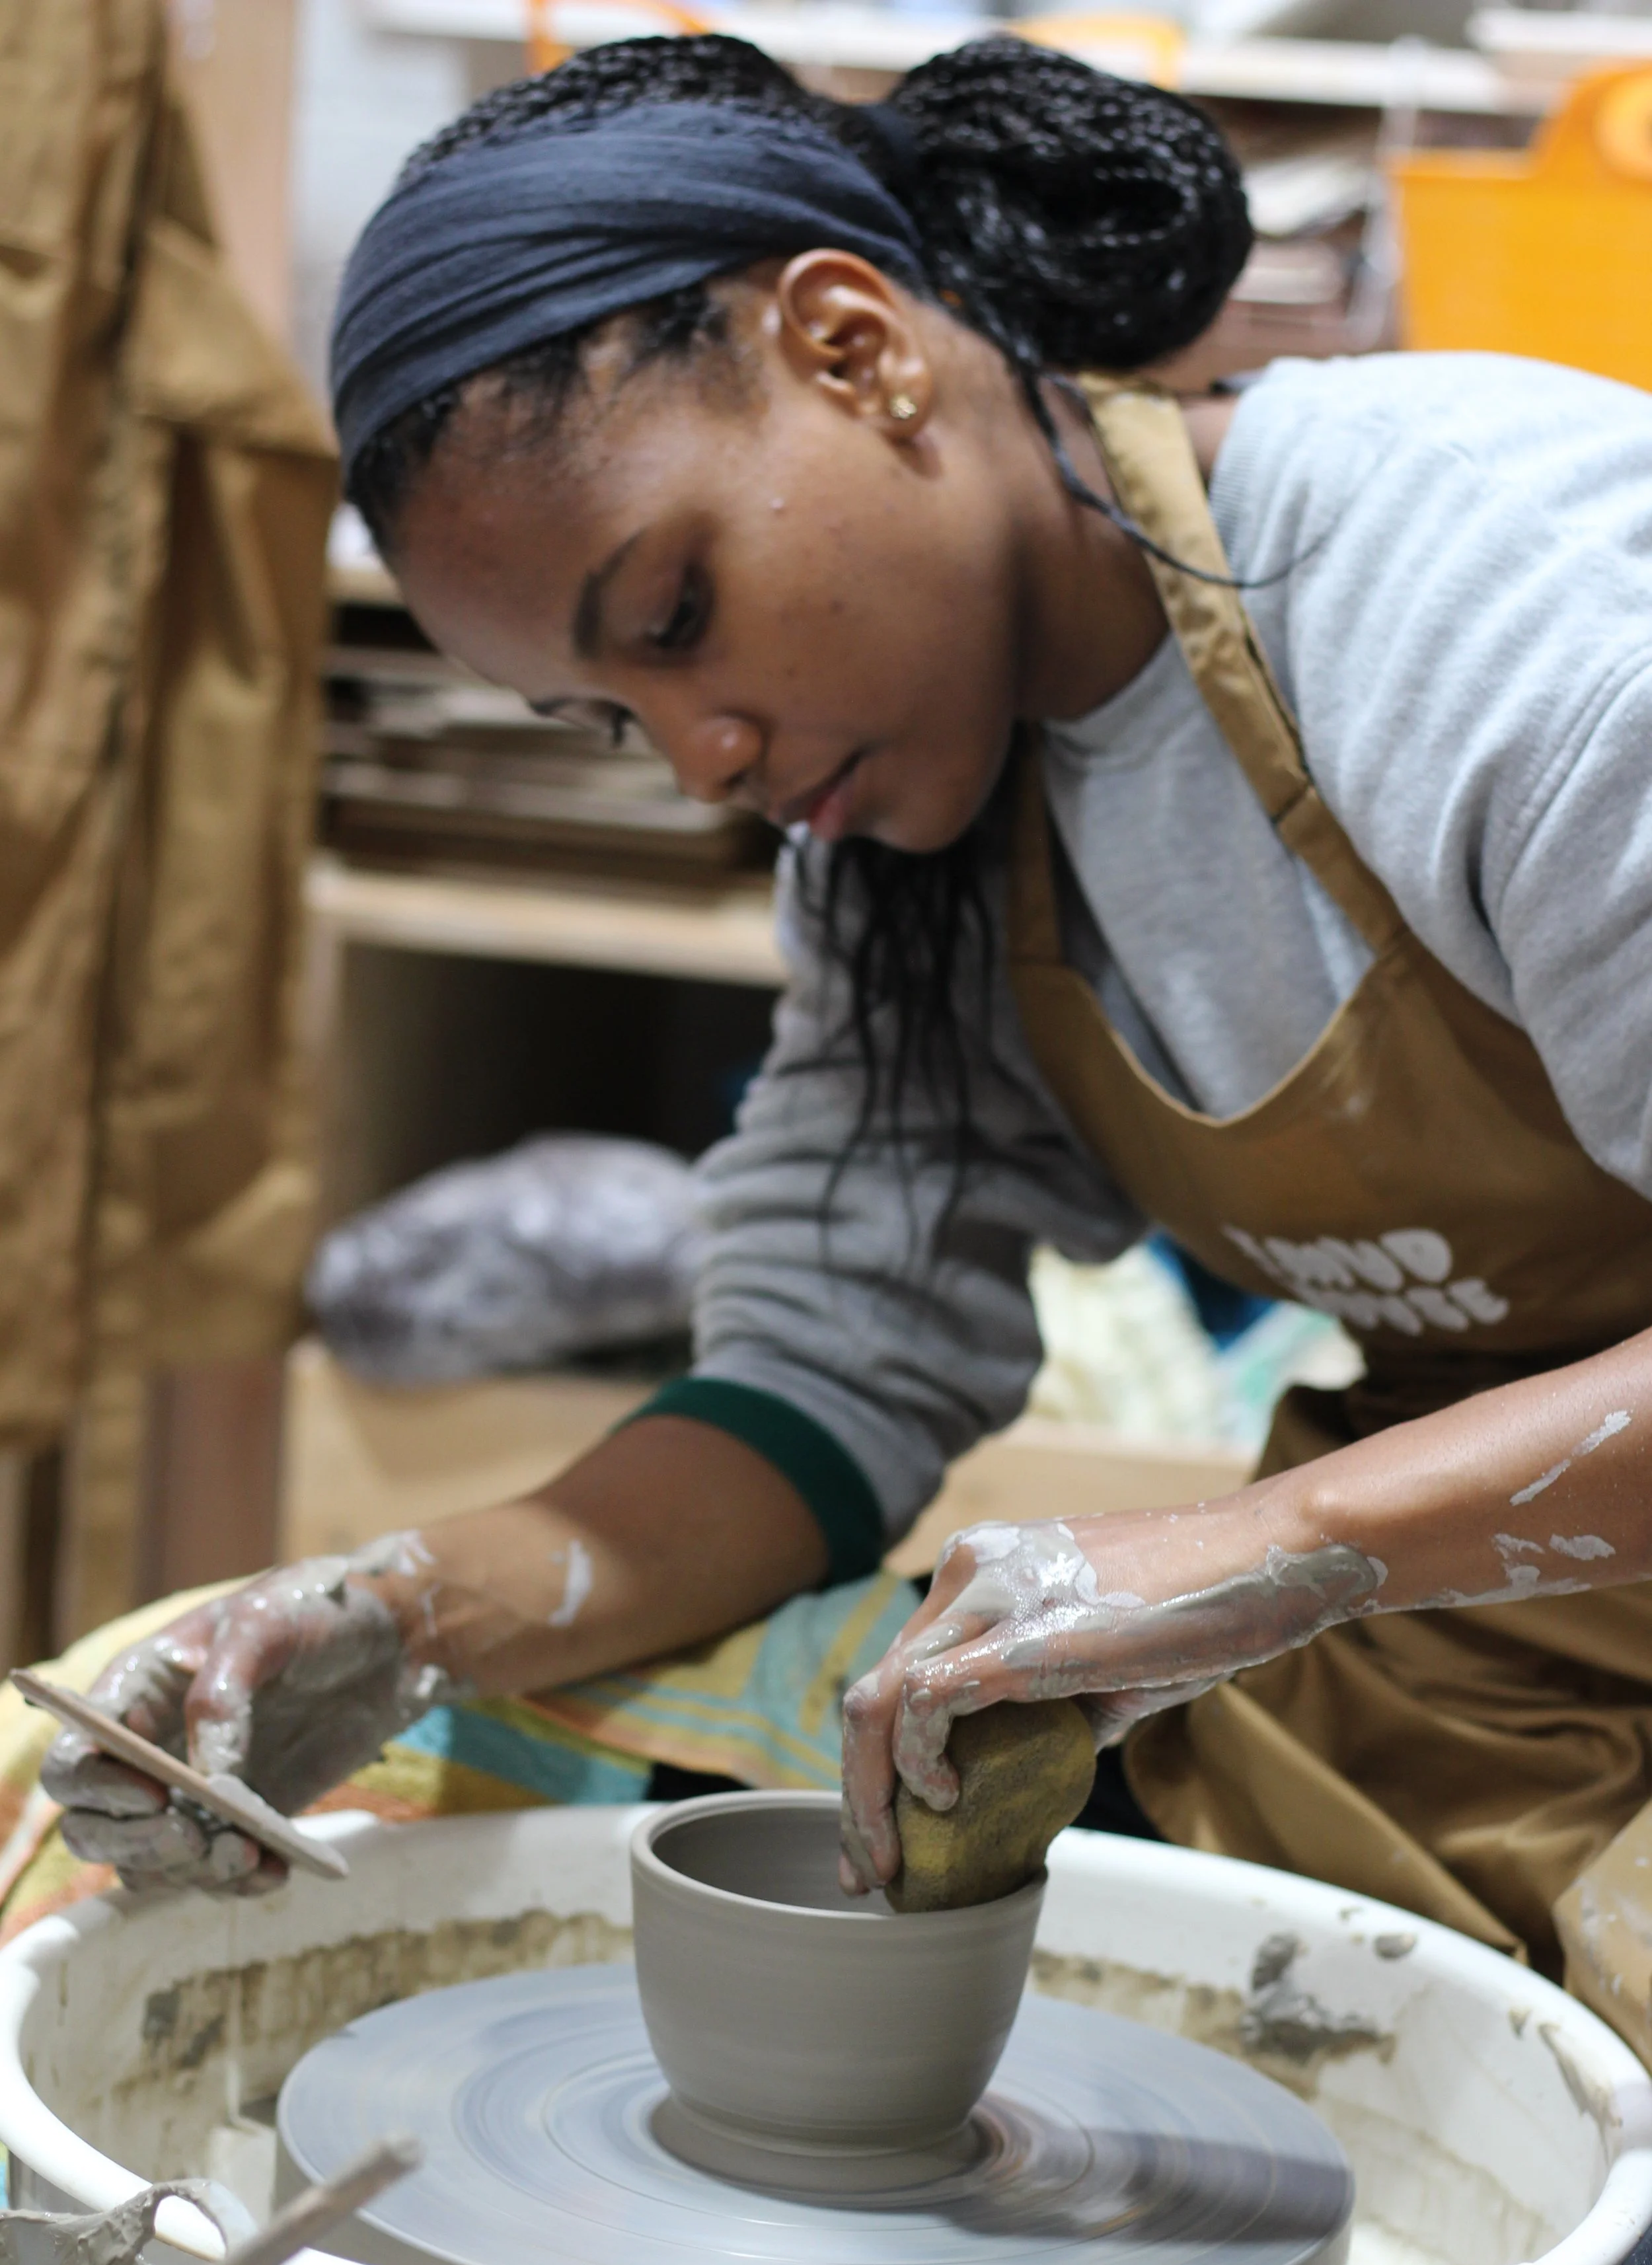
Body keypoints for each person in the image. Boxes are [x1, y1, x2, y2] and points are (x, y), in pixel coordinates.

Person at [37, 36, 1652, 2055]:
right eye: (610, 720)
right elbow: (820, 1382)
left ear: (851, 344)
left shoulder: (1491, 603)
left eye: (679, 612)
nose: (706, 757)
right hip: (1466, 1639)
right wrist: (403, 1612)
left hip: (1451, 1573)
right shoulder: (911, 829)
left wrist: (1268, 1546)